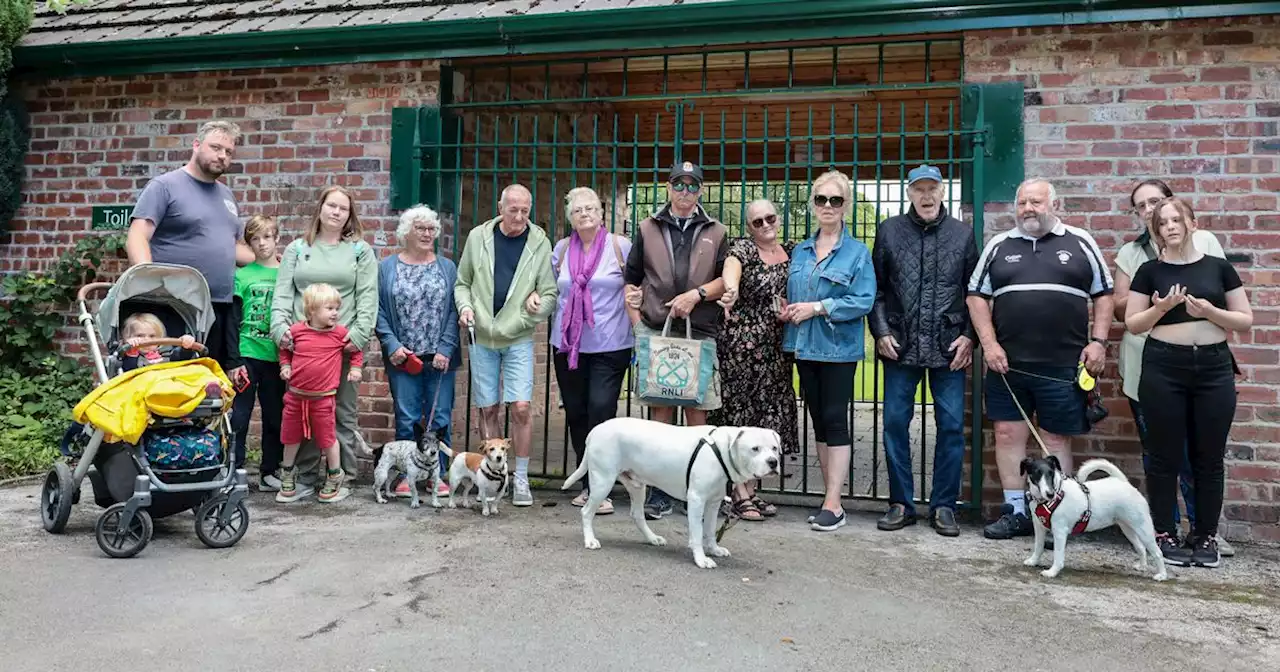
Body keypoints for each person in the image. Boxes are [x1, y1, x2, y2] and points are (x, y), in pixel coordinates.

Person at [967, 178, 1114, 540]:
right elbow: (975, 296)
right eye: (1022, 203)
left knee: (1055, 441)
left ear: (1054, 205)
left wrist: (1098, 342)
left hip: (1063, 366)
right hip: (1007, 364)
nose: (1028, 209)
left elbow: (1104, 295)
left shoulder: (1080, 242)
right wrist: (989, 344)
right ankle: (1016, 511)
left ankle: (1057, 519)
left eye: (1036, 202)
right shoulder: (1000, 245)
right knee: (1006, 434)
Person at [1125, 196, 1252, 568]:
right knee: (1163, 455)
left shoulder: (1218, 268)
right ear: (1157, 231)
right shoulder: (1149, 271)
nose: (1170, 227)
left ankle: (1205, 536)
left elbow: (1244, 319)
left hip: (1213, 368)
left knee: (1209, 457)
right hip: (1164, 366)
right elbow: (1133, 323)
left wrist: (1211, 311)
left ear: (1193, 223)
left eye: (1176, 220)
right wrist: (1161, 308)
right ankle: (1164, 532)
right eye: (1162, 223)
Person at [869, 165, 977, 537]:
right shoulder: (889, 231)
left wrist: (968, 336)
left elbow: (975, 292)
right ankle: (901, 502)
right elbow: (876, 290)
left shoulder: (963, 235)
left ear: (942, 192)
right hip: (900, 345)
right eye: (919, 190)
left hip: (948, 347)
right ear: (909, 193)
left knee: (950, 427)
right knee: (895, 423)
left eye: (932, 189)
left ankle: (944, 505)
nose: (926, 196)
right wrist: (880, 330)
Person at [622, 161, 729, 521]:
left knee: (698, 418)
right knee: (660, 421)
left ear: (701, 190)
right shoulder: (647, 227)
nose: (685, 193)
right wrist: (637, 323)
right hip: (658, 331)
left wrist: (696, 295)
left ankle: (696, 492)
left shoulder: (716, 229)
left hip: (698, 333)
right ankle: (658, 493)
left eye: (692, 186)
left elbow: (724, 281)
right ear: (668, 187)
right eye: (679, 185)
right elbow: (632, 279)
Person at [782, 170, 876, 533]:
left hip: (837, 349)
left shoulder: (857, 253)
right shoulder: (801, 251)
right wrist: (788, 309)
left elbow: (863, 300)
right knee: (819, 420)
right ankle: (827, 497)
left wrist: (818, 308)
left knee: (835, 419)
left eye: (835, 200)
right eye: (821, 199)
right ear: (812, 205)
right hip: (804, 348)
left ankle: (834, 504)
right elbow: (795, 296)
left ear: (845, 206)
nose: (827, 206)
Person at [270, 186, 378, 498]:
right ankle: (302, 478)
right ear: (320, 208)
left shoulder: (360, 251)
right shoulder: (296, 249)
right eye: (331, 205)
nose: (336, 212)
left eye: (343, 209)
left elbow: (368, 297)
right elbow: (283, 293)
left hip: (341, 346)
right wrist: (280, 328)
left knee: (340, 412)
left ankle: (340, 476)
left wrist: (358, 336)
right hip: (303, 347)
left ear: (349, 216)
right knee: (302, 409)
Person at [454, 184, 558, 507]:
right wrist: (465, 308)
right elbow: (463, 284)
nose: (519, 216)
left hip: (518, 336)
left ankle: (522, 478)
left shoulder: (539, 243)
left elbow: (550, 294)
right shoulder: (477, 238)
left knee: (522, 407)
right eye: (513, 209)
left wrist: (537, 305)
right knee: (488, 408)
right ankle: (491, 479)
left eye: (525, 210)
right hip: (482, 334)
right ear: (500, 207)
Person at [125, 120, 254, 372]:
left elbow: (230, 247)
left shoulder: (227, 196)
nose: (222, 156)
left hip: (218, 308)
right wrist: (148, 282)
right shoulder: (165, 186)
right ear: (196, 145)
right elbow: (137, 236)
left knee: (207, 386)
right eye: (216, 147)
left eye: (229, 152)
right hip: (175, 304)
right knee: (169, 381)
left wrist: (271, 263)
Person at [550, 187, 636, 516]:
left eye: (591, 209)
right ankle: (587, 484)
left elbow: (636, 285)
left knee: (601, 410)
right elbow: (550, 288)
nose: (585, 214)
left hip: (610, 344)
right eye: (578, 210)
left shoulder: (620, 247)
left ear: (601, 214)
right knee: (576, 412)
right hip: (568, 345)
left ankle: (602, 486)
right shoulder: (559, 250)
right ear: (570, 218)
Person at [712, 198, 799, 522]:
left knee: (764, 422)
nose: (765, 225)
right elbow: (731, 267)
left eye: (769, 218)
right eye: (757, 222)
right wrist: (731, 289)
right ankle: (739, 493)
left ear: (778, 217)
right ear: (749, 228)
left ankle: (750, 489)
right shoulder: (744, 250)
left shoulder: (791, 251)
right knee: (740, 418)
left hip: (776, 351)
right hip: (741, 351)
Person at [376, 204, 461, 499]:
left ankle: (437, 474)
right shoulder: (387, 267)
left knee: (439, 419)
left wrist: (446, 348)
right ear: (406, 233)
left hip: (440, 359)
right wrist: (392, 346)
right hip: (403, 358)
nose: (427, 234)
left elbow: (454, 309)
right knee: (407, 417)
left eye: (431, 229)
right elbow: (378, 312)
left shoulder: (447, 267)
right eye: (421, 228)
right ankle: (405, 475)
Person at [276, 283, 365, 504]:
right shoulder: (296, 331)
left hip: (323, 399)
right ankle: (288, 471)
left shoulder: (340, 334)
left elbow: (357, 350)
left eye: (337, 308)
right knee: (290, 436)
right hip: (295, 397)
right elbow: (284, 349)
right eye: (330, 308)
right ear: (312, 310)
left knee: (327, 438)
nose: (335, 313)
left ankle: (335, 474)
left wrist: (355, 368)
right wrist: (285, 366)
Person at [231, 215, 286, 489]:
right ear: (249, 243)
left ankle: (269, 471)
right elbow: (232, 317)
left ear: (277, 239)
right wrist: (234, 358)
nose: (262, 243)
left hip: (277, 356)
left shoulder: (288, 273)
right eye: (255, 238)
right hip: (247, 353)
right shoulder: (241, 275)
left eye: (267, 237)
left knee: (275, 415)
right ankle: (234, 470)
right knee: (239, 415)